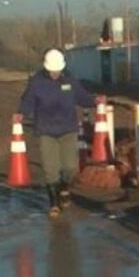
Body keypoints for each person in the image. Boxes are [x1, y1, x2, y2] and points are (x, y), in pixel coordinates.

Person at [19, 48, 97, 218]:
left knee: (69, 168)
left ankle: (64, 188)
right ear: (46, 67)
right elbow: (27, 101)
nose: (55, 73)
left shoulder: (69, 79)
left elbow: (82, 96)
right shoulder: (37, 82)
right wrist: (21, 113)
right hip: (46, 131)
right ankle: (54, 203)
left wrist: (95, 101)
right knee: (50, 169)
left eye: (57, 69)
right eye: (52, 70)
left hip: (68, 130)